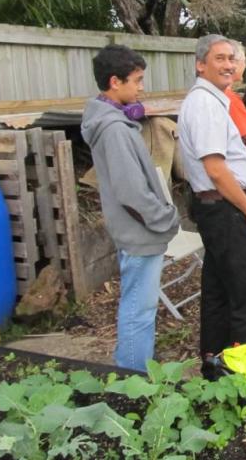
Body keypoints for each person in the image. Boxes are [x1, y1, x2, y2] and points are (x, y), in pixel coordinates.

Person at [81, 44, 180, 372]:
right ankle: (132, 380)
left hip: (135, 231)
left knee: (138, 305)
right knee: (139, 309)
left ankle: (134, 369)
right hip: (140, 233)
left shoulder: (112, 122)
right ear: (114, 82)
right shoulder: (113, 130)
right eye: (136, 80)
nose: (141, 87)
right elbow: (132, 193)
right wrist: (165, 219)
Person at [178, 34, 246, 378]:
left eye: (232, 58)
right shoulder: (204, 104)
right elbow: (216, 169)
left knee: (218, 291)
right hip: (226, 210)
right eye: (220, 58)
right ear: (201, 64)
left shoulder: (214, 100)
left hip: (217, 209)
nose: (229, 64)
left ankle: (215, 369)